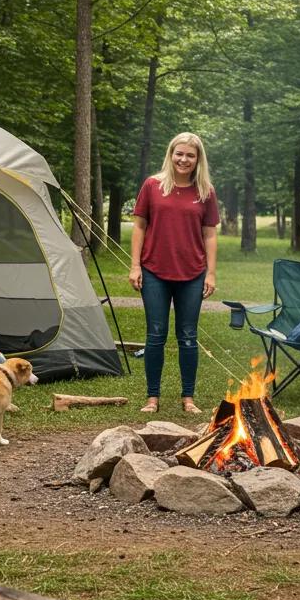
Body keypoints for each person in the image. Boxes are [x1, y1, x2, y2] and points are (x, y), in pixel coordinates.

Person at [129, 131, 219, 415]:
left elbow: (210, 235)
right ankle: (152, 398)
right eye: (179, 153)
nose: (184, 159)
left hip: (193, 273)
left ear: (198, 159)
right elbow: (139, 226)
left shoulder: (205, 191)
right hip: (154, 271)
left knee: (188, 336)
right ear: (170, 154)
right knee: (156, 334)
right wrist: (135, 266)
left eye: (190, 155)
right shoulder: (152, 185)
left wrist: (211, 273)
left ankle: (188, 397)